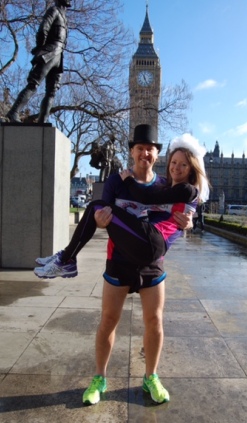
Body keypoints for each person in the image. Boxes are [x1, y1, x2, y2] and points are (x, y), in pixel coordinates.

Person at [34, 124, 202, 405]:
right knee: (108, 322)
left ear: (157, 155)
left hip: (152, 265)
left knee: (154, 322)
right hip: (120, 261)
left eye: (150, 149)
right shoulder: (115, 181)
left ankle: (151, 377)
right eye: (139, 148)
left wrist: (191, 220)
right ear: (132, 152)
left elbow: (181, 210)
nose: (144, 154)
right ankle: (99, 378)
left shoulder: (166, 185)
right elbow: (102, 212)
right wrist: (101, 219)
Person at [34, 133, 208, 277]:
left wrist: (129, 180)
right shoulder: (169, 188)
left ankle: (67, 259)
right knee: (98, 208)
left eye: (183, 164)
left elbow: (146, 197)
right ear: (132, 151)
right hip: (137, 246)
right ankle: (66, 257)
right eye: (174, 162)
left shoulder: (186, 189)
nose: (176, 167)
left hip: (153, 243)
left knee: (96, 205)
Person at [6, 0, 71, 123]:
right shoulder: (53, 11)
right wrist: (41, 49)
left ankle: (42, 121)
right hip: (49, 52)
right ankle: (13, 112)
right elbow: (43, 29)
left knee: (52, 91)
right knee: (33, 83)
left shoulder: (65, 18)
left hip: (59, 55)